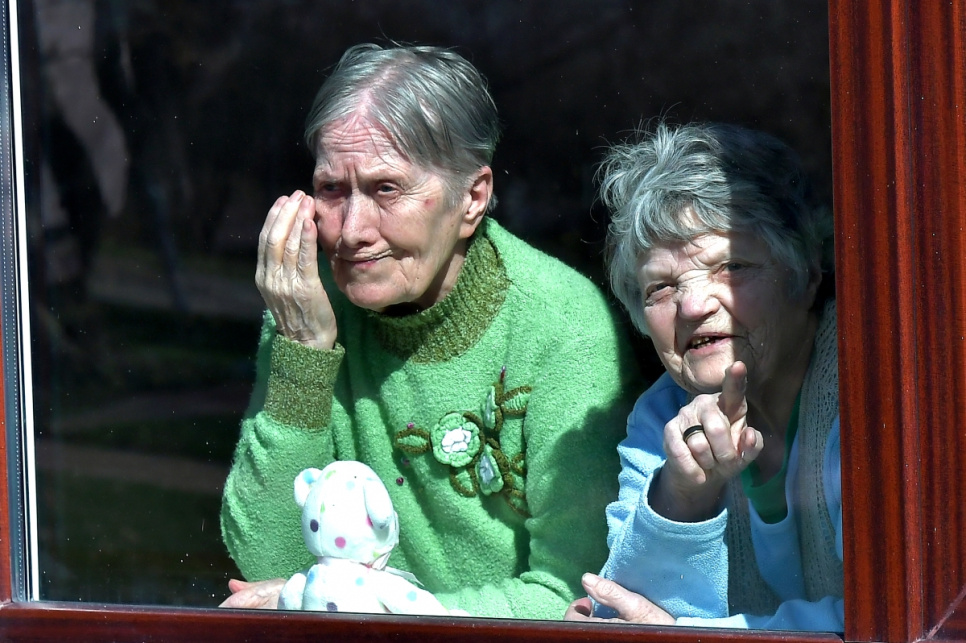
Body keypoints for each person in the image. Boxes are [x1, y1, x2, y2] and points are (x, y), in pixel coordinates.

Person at [219, 43, 640, 620]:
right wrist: (304, 355)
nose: (352, 230)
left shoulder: (565, 332)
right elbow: (267, 563)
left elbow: (576, 598)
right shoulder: (307, 310)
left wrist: (377, 609)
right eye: (332, 190)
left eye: (386, 189)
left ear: (472, 198)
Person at [564, 122, 842, 631]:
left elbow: (898, 620)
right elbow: (622, 613)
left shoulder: (867, 386)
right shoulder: (663, 416)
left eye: (731, 267)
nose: (692, 306)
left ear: (804, 275)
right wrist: (681, 496)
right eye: (661, 288)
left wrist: (696, 636)